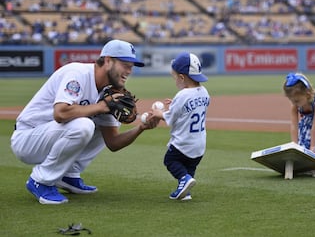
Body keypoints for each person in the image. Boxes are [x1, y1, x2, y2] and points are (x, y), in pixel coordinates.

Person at [10, 39, 160, 204]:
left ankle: (68, 175)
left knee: (96, 124)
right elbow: (60, 113)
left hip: (49, 136)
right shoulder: (78, 74)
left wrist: (141, 128)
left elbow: (113, 142)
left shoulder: (110, 94)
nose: (129, 70)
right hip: (28, 138)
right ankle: (41, 180)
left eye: (131, 66)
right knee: (85, 125)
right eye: (125, 64)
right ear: (108, 61)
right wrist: (102, 106)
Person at [151, 52, 210, 200]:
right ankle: (185, 192)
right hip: (199, 144)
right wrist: (176, 105)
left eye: (175, 76)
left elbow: (169, 118)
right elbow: (190, 109)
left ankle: (184, 180)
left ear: (182, 78)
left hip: (182, 143)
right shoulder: (204, 92)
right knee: (190, 167)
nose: (175, 80)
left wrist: (158, 112)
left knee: (170, 161)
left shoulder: (182, 95)